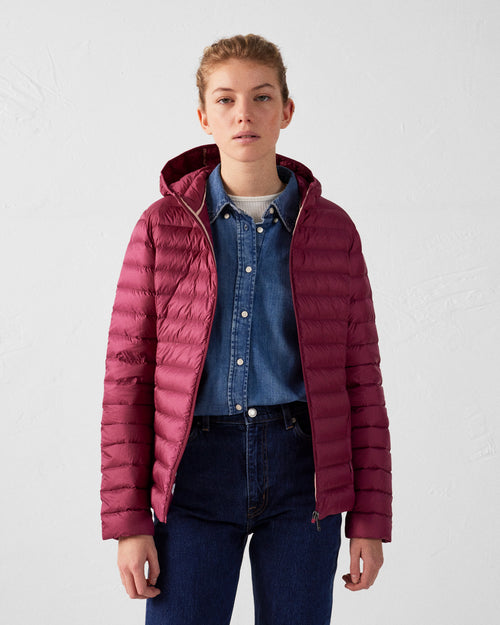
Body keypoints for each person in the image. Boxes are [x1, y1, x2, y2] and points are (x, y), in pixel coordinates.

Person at [100, 33, 392, 625]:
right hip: (192, 478)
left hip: (303, 477)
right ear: (204, 116)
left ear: (286, 110)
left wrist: (369, 517)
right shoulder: (161, 227)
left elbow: (361, 378)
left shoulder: (333, 231)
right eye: (226, 99)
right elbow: (127, 378)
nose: (244, 114)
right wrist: (128, 521)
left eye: (261, 97)